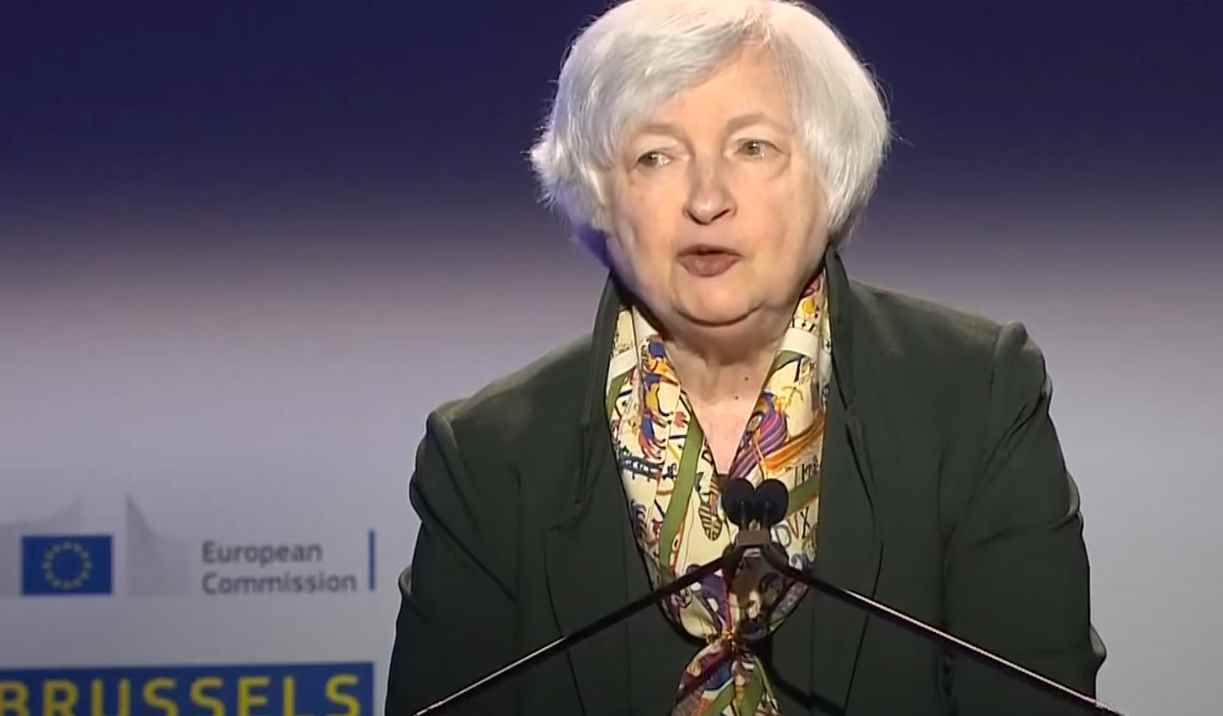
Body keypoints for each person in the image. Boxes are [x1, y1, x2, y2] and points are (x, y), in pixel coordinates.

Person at [386, 1, 1106, 714]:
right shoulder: (486, 459)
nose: (707, 200)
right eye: (655, 156)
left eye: (752, 148)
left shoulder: (975, 398)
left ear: (830, 178)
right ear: (601, 197)